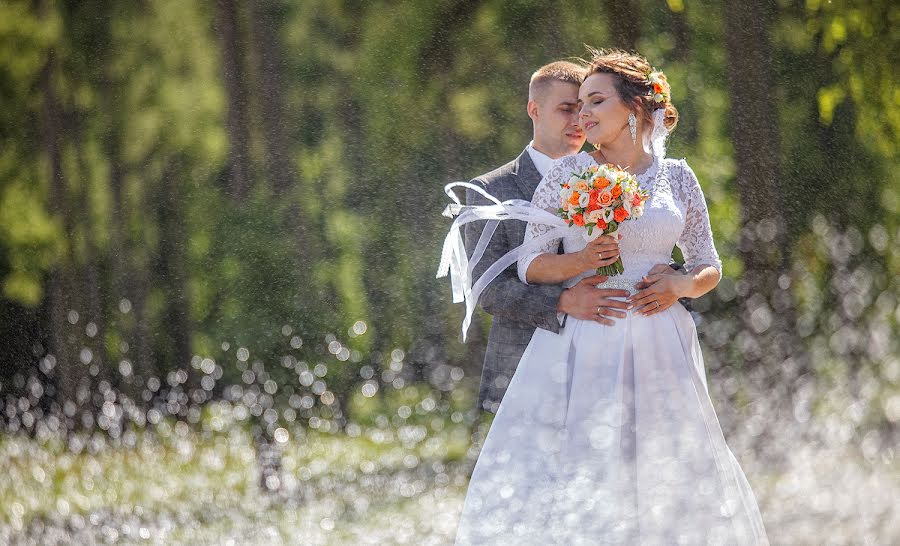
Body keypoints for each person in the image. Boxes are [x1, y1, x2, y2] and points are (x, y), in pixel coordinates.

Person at [453, 49, 769, 545]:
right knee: (588, 463)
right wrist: (582, 264)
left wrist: (681, 284)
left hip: (660, 342)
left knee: (665, 464)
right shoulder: (568, 174)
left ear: (636, 105)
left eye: (595, 101)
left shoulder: (678, 176)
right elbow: (529, 265)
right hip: (588, 340)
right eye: (577, 105)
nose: (584, 116)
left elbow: (709, 261)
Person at [464, 60, 680, 414]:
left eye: (586, 108)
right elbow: (487, 289)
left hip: (613, 357)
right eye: (567, 109)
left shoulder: (621, 175)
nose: (579, 120)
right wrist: (563, 302)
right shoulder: (493, 189)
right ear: (534, 110)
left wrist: (673, 277)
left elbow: (648, 246)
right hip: (526, 362)